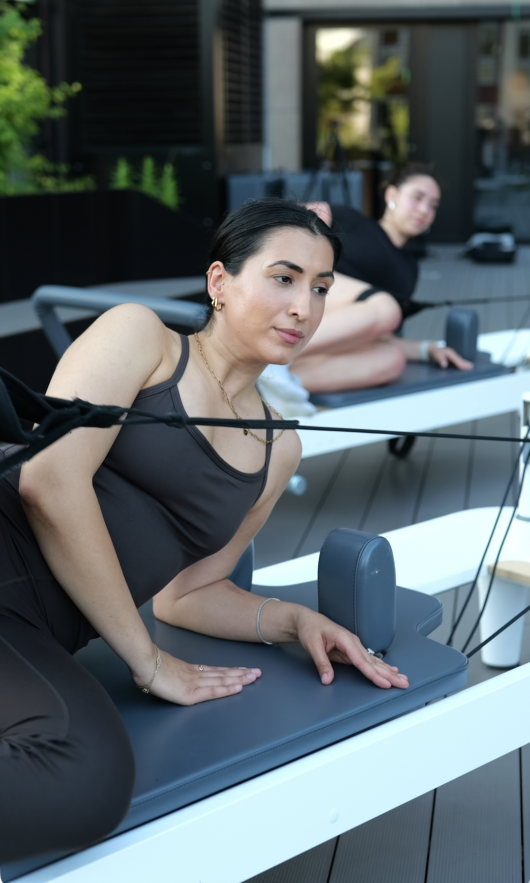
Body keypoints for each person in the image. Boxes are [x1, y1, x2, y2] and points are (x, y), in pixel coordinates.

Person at [0, 199, 409, 866]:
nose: (304, 306)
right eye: (283, 277)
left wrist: (291, 620)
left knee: (86, 780)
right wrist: (147, 658)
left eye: (322, 287)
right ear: (220, 283)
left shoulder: (280, 449)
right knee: (85, 776)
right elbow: (49, 481)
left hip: (27, 629)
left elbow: (186, 594)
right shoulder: (141, 339)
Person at [260, 165, 472, 405]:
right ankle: (270, 357)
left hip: (325, 336)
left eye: (433, 205)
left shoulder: (410, 270)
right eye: (417, 198)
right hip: (302, 297)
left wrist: (426, 350)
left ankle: (267, 381)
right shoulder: (350, 219)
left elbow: (379, 334)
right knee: (385, 307)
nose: (424, 209)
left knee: (392, 360)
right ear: (391, 195)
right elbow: (279, 226)